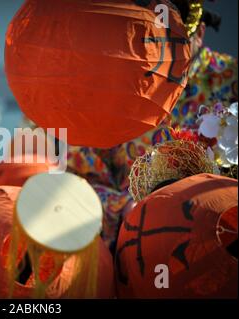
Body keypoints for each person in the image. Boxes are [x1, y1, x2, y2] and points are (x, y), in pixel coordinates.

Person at [66, 0, 237, 253]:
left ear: (198, 35)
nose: (156, 59)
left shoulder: (231, 79)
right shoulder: (110, 86)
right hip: (135, 247)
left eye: (171, 45)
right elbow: (77, 184)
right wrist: (124, 208)